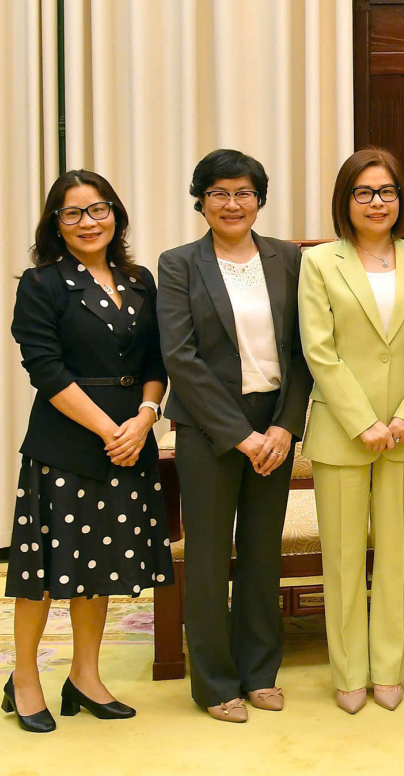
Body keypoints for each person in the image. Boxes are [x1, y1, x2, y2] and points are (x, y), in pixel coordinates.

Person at [4, 170, 173, 732]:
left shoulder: (140, 280)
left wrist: (144, 419)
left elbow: (156, 361)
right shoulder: (42, 283)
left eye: (99, 209)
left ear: (116, 215)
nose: (88, 222)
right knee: (43, 571)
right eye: (73, 213)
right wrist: (110, 430)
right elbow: (45, 369)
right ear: (56, 224)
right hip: (67, 445)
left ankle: (84, 675)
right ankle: (24, 678)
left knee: (98, 566)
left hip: (131, 440)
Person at [156, 149, 312, 723]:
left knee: (262, 553)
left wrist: (285, 426)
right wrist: (241, 436)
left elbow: (303, 350)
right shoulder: (179, 264)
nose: (232, 204)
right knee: (207, 556)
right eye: (219, 193)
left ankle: (260, 672)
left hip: (275, 424)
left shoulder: (288, 259)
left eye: (243, 192)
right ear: (201, 201)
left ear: (259, 200)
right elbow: (180, 357)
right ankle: (215, 682)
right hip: (208, 427)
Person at [298, 148, 404, 714]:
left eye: (386, 192)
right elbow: (318, 350)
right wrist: (363, 422)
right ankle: (349, 671)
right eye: (364, 193)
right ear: (346, 200)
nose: (376, 203)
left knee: (398, 554)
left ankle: (388, 666)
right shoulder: (319, 261)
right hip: (342, 431)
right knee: (344, 557)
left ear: (400, 198)